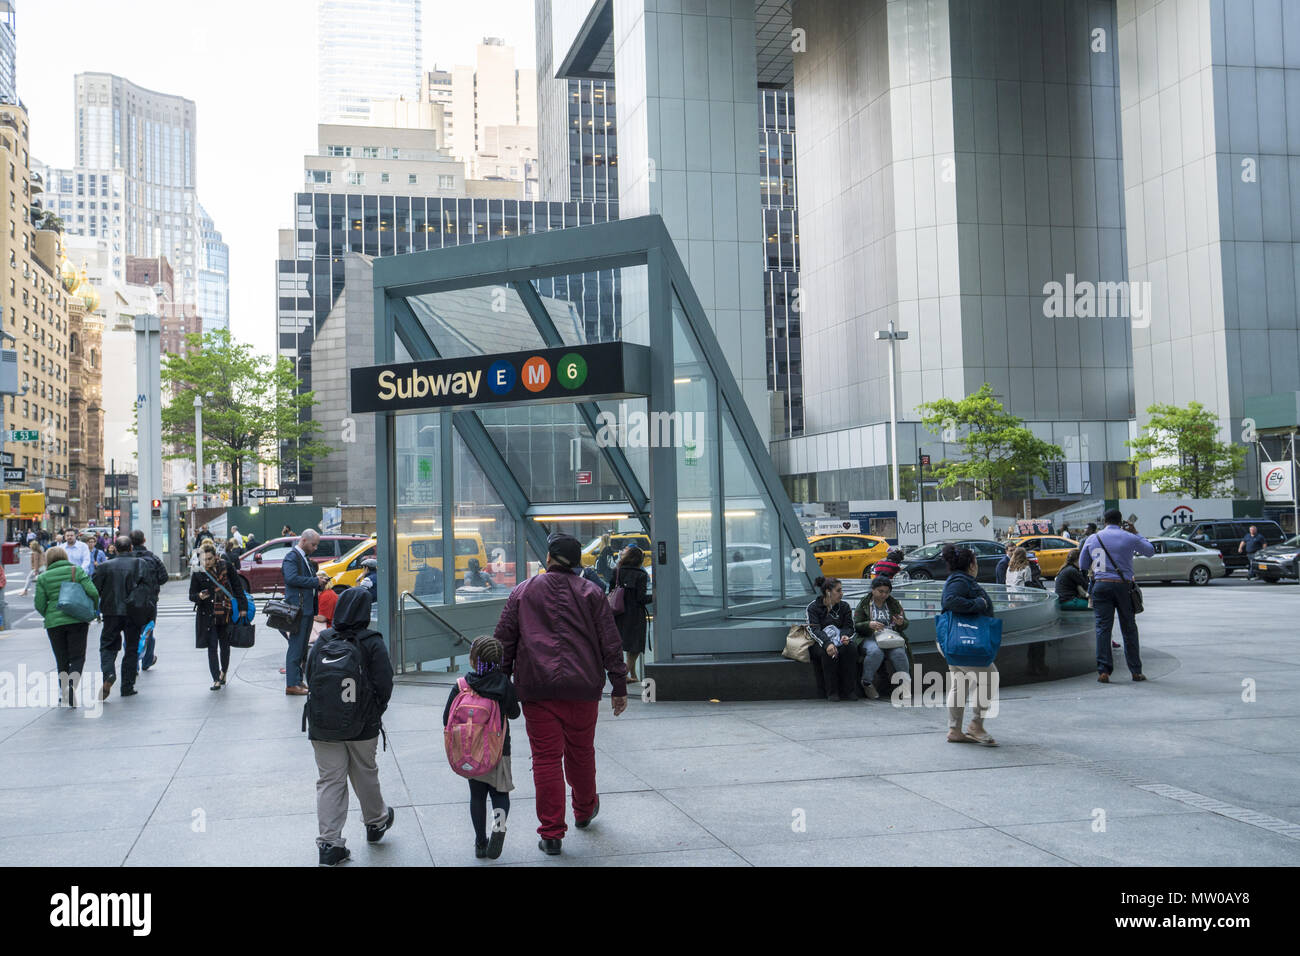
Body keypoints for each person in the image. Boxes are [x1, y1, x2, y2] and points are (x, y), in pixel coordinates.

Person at [495, 532, 628, 856]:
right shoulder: (592, 593)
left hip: (537, 690)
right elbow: (611, 643)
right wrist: (619, 686)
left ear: (550, 559)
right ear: (578, 561)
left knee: (546, 759)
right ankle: (584, 810)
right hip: (583, 689)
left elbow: (504, 643)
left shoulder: (523, 592)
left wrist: (498, 686)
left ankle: (551, 833)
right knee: (581, 752)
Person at [305, 587, 395, 866]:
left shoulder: (324, 640)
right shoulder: (372, 642)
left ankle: (330, 844)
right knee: (365, 773)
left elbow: (310, 676)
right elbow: (384, 684)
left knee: (330, 781)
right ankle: (376, 821)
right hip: (362, 725)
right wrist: (373, 712)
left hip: (323, 725)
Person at [442, 635, 520, 860]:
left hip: (470, 751)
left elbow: (446, 718)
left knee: (477, 797)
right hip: (498, 750)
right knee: (500, 793)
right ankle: (498, 828)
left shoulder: (462, 685)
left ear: (474, 659)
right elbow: (514, 714)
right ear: (499, 660)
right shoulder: (504, 684)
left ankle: (480, 842)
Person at [1079, 509, 1154, 683]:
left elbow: (1083, 564)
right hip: (1123, 587)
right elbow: (1150, 551)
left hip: (1101, 585)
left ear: (1104, 521)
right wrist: (1135, 532)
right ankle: (1136, 671)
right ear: (1121, 521)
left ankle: (1104, 671)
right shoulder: (1129, 537)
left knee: (1103, 628)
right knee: (1129, 628)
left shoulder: (1093, 538)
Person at [938, 544, 999, 745]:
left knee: (960, 684)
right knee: (990, 676)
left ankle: (955, 730)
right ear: (972, 564)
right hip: (964, 642)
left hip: (955, 642)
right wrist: (978, 605)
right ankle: (976, 724)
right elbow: (950, 600)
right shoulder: (960, 580)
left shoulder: (958, 579)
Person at [34, 545, 99, 708]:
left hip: (54, 624)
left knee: (61, 659)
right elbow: (93, 592)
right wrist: (93, 609)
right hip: (77, 620)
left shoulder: (43, 577)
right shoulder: (75, 571)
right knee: (77, 657)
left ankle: (64, 692)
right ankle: (72, 686)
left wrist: (49, 615)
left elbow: (39, 604)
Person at [92, 535, 146, 701]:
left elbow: (95, 588)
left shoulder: (104, 567)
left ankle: (109, 672)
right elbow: (148, 587)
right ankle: (127, 686)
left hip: (111, 611)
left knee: (108, 645)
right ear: (131, 548)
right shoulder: (140, 564)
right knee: (131, 648)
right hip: (133, 611)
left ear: (114, 548)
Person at [190, 543, 246, 691]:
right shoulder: (198, 571)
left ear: (215, 557)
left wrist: (242, 607)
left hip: (226, 612)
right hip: (208, 614)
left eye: (209, 559)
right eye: (203, 559)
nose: (206, 562)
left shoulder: (226, 567)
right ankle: (215, 678)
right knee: (212, 646)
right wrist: (199, 596)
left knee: (225, 645)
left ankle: (224, 671)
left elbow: (237, 587)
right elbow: (191, 595)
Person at [282, 529, 329, 696]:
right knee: (296, 647)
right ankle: (292, 684)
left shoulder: (303, 558)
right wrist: (315, 581)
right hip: (299, 609)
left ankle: (297, 681)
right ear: (303, 540)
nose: (315, 548)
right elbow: (291, 578)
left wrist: (318, 583)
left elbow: (300, 580)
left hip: (306, 609)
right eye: (313, 544)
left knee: (301, 648)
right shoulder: (292, 557)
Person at [853, 576, 910, 700]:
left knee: (899, 653)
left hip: (891, 637)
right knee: (875, 652)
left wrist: (901, 623)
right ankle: (867, 682)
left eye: (887, 592)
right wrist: (868, 625)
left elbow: (905, 623)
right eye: (880, 591)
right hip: (870, 637)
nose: (884, 595)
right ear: (873, 590)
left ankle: (904, 685)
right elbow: (856, 625)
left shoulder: (893, 603)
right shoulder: (864, 603)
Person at [805, 576, 860, 701]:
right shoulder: (813, 607)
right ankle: (832, 692)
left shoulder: (844, 606)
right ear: (828, 592)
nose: (842, 593)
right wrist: (827, 643)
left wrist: (845, 636)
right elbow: (814, 630)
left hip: (840, 641)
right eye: (838, 590)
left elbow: (849, 627)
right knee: (828, 653)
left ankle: (849, 690)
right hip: (820, 643)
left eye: (841, 590)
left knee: (850, 649)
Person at [610, 546, 652, 683]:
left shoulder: (617, 571)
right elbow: (640, 598)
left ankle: (632, 675)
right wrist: (655, 597)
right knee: (635, 647)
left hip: (618, 613)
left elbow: (611, 590)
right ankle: (623, 674)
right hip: (635, 615)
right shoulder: (641, 575)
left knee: (626, 643)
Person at [130, 530, 169, 672]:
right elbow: (164, 577)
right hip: (149, 601)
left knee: (131, 633)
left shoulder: (127, 559)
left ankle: (133, 663)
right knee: (148, 631)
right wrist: (153, 585)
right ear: (144, 540)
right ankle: (147, 659)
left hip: (130, 602)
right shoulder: (153, 558)